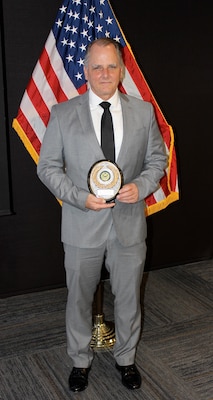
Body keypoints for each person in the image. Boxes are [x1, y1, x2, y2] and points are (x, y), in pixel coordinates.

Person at [37, 38, 167, 392]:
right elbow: (47, 168)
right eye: (97, 66)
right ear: (86, 70)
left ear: (122, 69)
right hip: (82, 226)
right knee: (78, 299)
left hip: (129, 226)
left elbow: (158, 160)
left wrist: (140, 186)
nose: (105, 73)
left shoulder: (143, 111)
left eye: (111, 66)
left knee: (128, 298)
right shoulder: (63, 114)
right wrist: (80, 198)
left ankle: (126, 359)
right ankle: (80, 360)